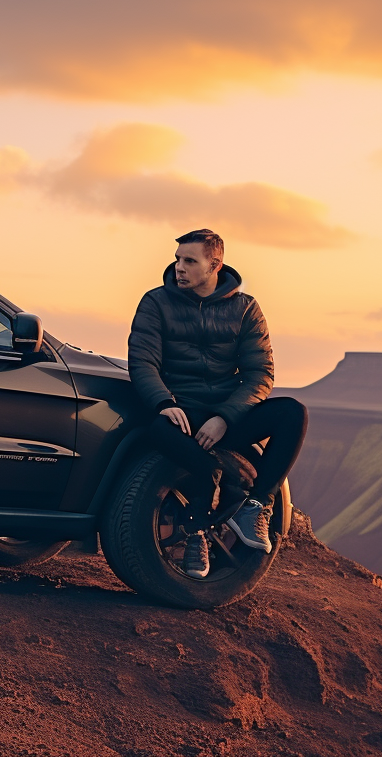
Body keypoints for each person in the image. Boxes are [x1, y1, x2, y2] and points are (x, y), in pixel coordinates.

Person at [127, 229, 308, 578]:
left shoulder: (245, 308)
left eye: (189, 261)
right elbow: (142, 362)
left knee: (292, 413)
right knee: (160, 429)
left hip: (227, 415)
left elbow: (260, 374)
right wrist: (164, 402)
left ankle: (256, 506)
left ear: (214, 265)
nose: (179, 267)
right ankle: (197, 532)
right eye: (178, 259)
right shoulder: (156, 302)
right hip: (181, 411)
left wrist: (226, 417)